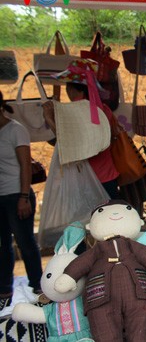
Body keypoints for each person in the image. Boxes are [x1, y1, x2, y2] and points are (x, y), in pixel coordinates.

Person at [42, 59, 121, 199]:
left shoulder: (72, 112)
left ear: (71, 89)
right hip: (108, 177)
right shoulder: (104, 110)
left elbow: (68, 145)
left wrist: (49, 118)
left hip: (85, 181)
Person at [0, 90, 43, 299]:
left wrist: (24, 197)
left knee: (25, 242)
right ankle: (4, 287)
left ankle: (38, 284)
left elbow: (26, 165)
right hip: (0, 196)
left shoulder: (15, 130)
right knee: (2, 244)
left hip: (17, 193)